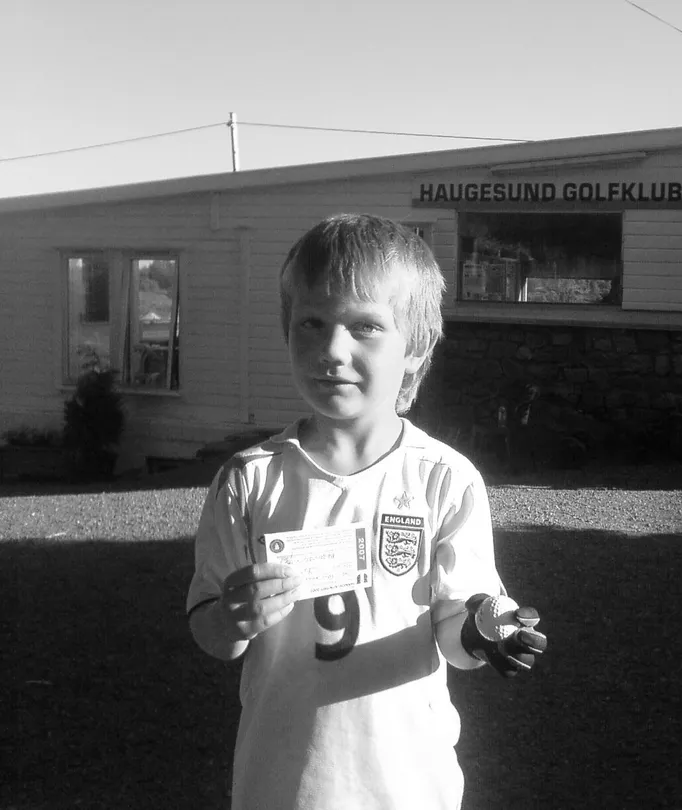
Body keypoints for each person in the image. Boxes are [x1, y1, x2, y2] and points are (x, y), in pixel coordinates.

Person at [186, 213, 547, 810]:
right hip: (282, 787)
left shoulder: (444, 481)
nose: (332, 349)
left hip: (407, 789)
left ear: (415, 348)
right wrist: (234, 617)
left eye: (366, 327)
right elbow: (210, 632)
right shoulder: (249, 480)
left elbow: (457, 633)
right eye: (312, 322)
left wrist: (487, 630)